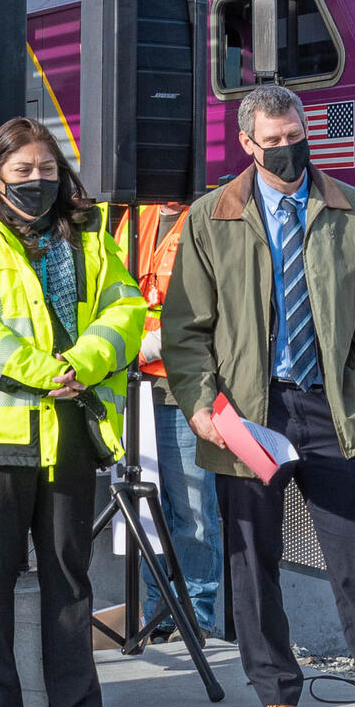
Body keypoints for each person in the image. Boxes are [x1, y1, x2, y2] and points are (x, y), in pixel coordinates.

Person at [161, 84, 355, 707]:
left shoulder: (352, 211)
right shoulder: (212, 218)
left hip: (329, 408)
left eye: (297, 139)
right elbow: (185, 327)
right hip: (248, 413)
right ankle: (275, 695)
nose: (289, 151)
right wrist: (201, 403)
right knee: (251, 561)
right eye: (275, 142)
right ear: (247, 144)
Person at [0, 118, 146, 707]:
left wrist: (86, 363)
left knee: (69, 578)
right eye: (21, 170)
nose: (36, 180)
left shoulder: (91, 241)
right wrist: (46, 372)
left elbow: (125, 310)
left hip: (71, 428)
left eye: (46, 169)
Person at [134, 200, 223, 636]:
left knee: (193, 512)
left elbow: (213, 306)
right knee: (151, 511)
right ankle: (157, 613)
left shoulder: (207, 216)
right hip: (135, 387)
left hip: (180, 386)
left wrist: (146, 346)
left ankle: (195, 618)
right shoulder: (137, 216)